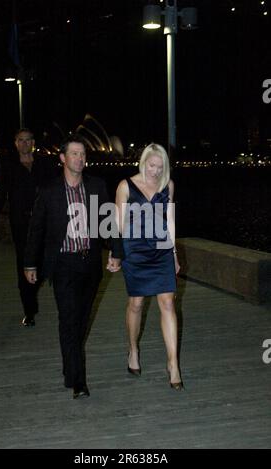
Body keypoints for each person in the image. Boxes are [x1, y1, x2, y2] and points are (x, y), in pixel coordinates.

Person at [24, 135, 122, 399]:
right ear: (63, 158)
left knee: (80, 321)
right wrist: (30, 263)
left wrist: (115, 250)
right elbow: (37, 230)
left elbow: (107, 221)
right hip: (63, 265)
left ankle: (70, 367)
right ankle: (79, 382)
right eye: (75, 154)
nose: (80, 158)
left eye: (83, 154)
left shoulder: (96, 186)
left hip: (89, 263)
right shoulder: (49, 191)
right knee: (68, 318)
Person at [114, 143, 183, 390]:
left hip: (162, 250)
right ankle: (133, 349)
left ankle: (173, 365)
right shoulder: (125, 186)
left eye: (160, 167)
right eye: (151, 165)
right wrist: (117, 254)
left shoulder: (168, 186)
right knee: (137, 303)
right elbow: (118, 225)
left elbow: (170, 221)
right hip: (135, 252)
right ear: (143, 163)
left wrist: (174, 253)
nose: (155, 171)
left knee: (167, 303)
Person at [0, 128, 57, 326]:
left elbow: (55, 191)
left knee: (44, 263)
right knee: (23, 264)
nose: (25, 143)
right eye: (21, 140)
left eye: (28, 140)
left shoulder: (44, 164)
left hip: (44, 222)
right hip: (21, 223)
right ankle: (29, 309)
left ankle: (32, 290)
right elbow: (0, 195)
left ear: (33, 142)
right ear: (16, 143)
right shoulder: (9, 166)